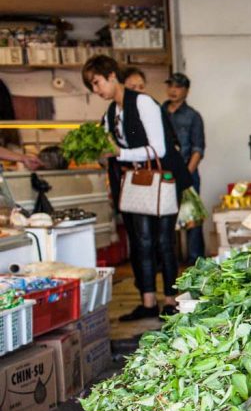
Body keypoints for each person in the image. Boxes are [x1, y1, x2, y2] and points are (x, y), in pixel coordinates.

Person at [81, 54, 192, 321]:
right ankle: (148, 301)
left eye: (96, 83)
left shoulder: (142, 102)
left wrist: (118, 153)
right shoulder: (111, 112)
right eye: (92, 86)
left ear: (111, 76)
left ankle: (170, 300)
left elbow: (159, 148)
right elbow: (110, 149)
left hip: (162, 180)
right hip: (135, 183)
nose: (96, 91)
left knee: (164, 242)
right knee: (141, 243)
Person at [163, 73, 205, 264]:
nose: (173, 90)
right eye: (170, 85)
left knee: (192, 219)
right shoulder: (159, 111)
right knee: (166, 219)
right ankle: (167, 261)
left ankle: (196, 261)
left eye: (178, 87)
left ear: (186, 91)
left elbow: (198, 149)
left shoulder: (193, 116)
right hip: (163, 174)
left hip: (188, 173)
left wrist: (185, 175)